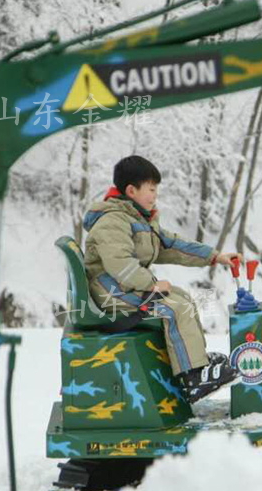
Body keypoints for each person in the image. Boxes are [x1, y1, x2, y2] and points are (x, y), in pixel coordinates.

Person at [82, 155, 241, 402]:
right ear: (131, 190)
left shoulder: (138, 219)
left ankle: (196, 362)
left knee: (182, 298)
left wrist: (214, 256)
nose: (155, 195)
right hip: (110, 290)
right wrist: (151, 284)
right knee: (173, 308)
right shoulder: (112, 221)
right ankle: (192, 378)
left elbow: (172, 245)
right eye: (151, 189)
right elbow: (120, 264)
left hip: (121, 286)